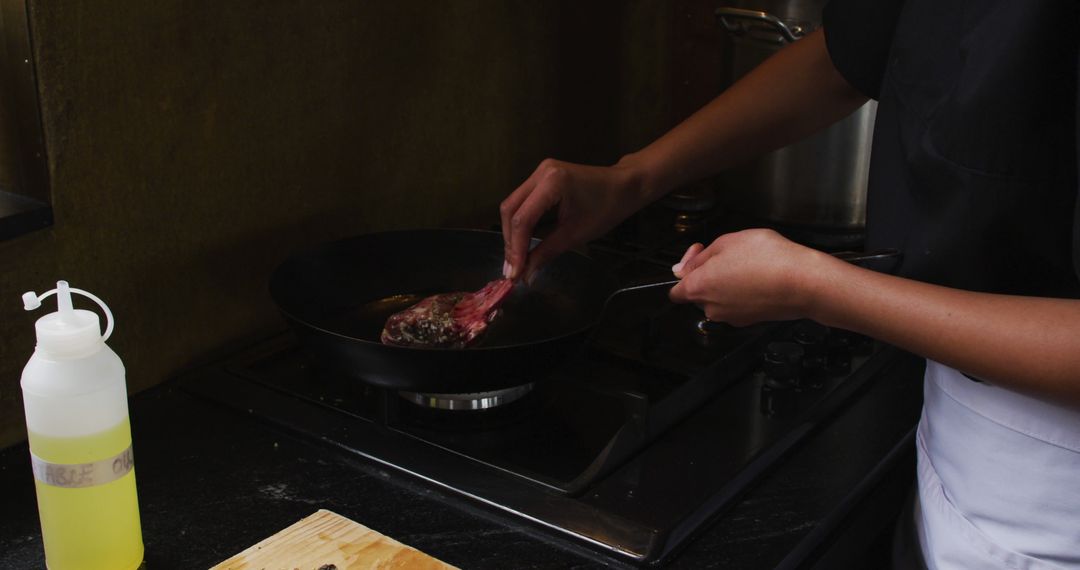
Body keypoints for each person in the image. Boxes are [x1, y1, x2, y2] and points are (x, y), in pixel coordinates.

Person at [499, 1, 1080, 568]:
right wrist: (633, 177)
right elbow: (847, 54)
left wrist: (818, 290)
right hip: (952, 434)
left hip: (1055, 500)